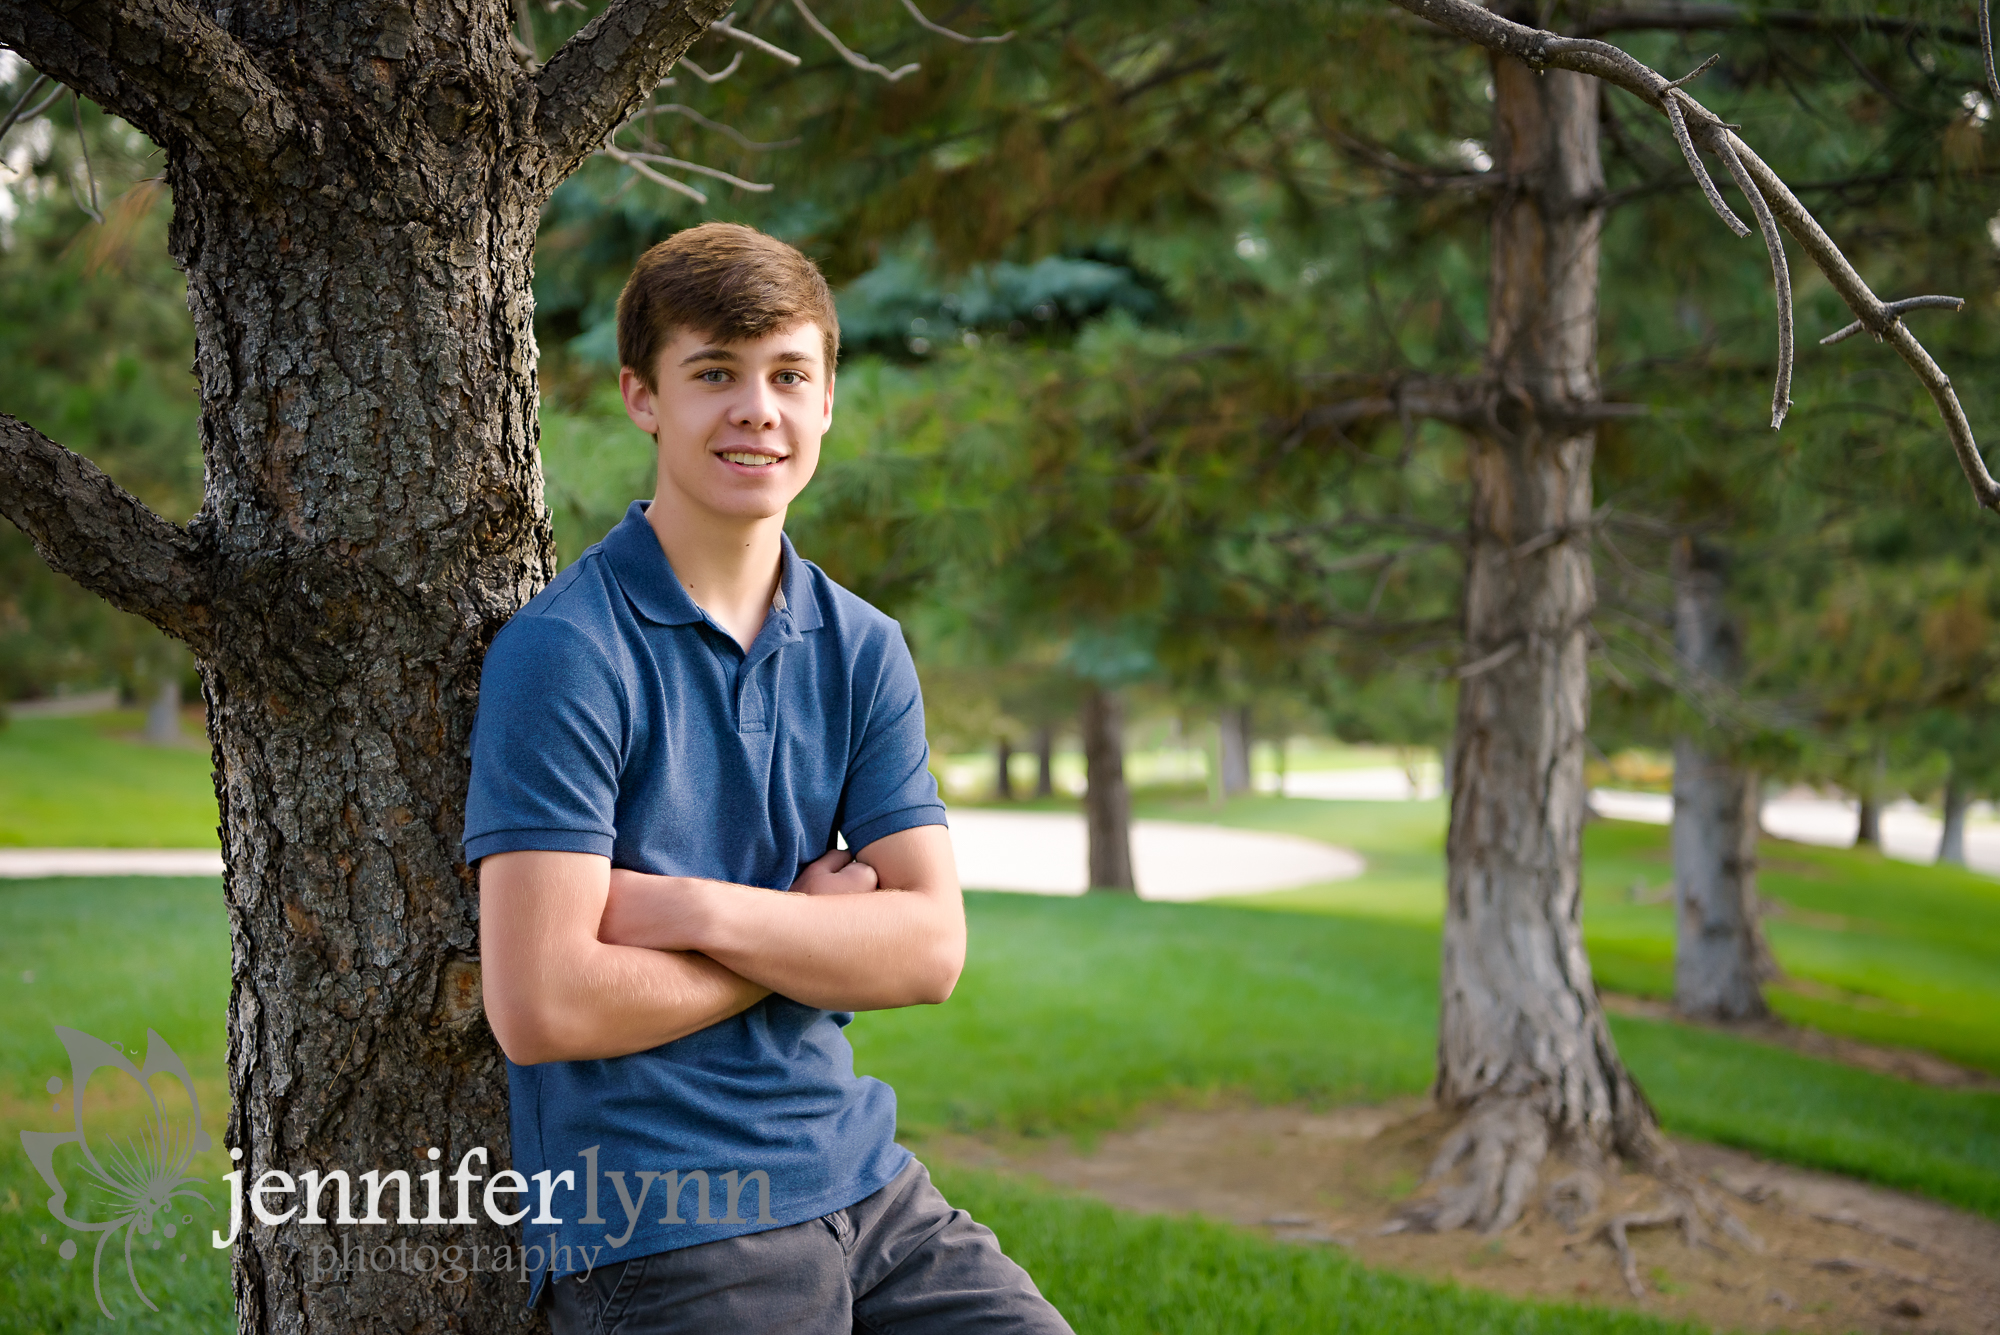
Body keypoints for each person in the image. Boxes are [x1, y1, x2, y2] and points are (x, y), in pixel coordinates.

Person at [464, 222, 1073, 1333]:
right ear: (642, 399)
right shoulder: (565, 653)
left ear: (827, 399)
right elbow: (542, 1005)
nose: (757, 409)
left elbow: (930, 950)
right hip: (663, 1219)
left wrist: (697, 910)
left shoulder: (861, 645)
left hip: (866, 1188)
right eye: (714, 375)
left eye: (789, 374)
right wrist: (800, 930)